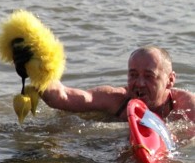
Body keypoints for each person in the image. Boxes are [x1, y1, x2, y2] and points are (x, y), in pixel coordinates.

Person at [40, 46, 195, 122]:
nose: (139, 83)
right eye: (133, 75)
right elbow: (63, 97)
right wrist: (35, 70)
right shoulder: (116, 99)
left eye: (149, 76)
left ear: (170, 80)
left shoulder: (187, 106)